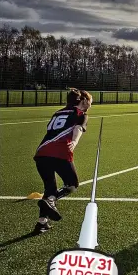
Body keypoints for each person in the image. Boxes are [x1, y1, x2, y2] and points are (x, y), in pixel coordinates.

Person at [33, 88, 92, 234]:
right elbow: (78, 129)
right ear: (84, 100)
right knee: (72, 184)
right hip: (59, 152)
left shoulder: (58, 112)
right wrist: (75, 141)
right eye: (90, 101)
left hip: (41, 153)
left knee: (49, 188)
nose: (91, 104)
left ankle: (41, 223)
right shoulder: (81, 114)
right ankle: (52, 200)